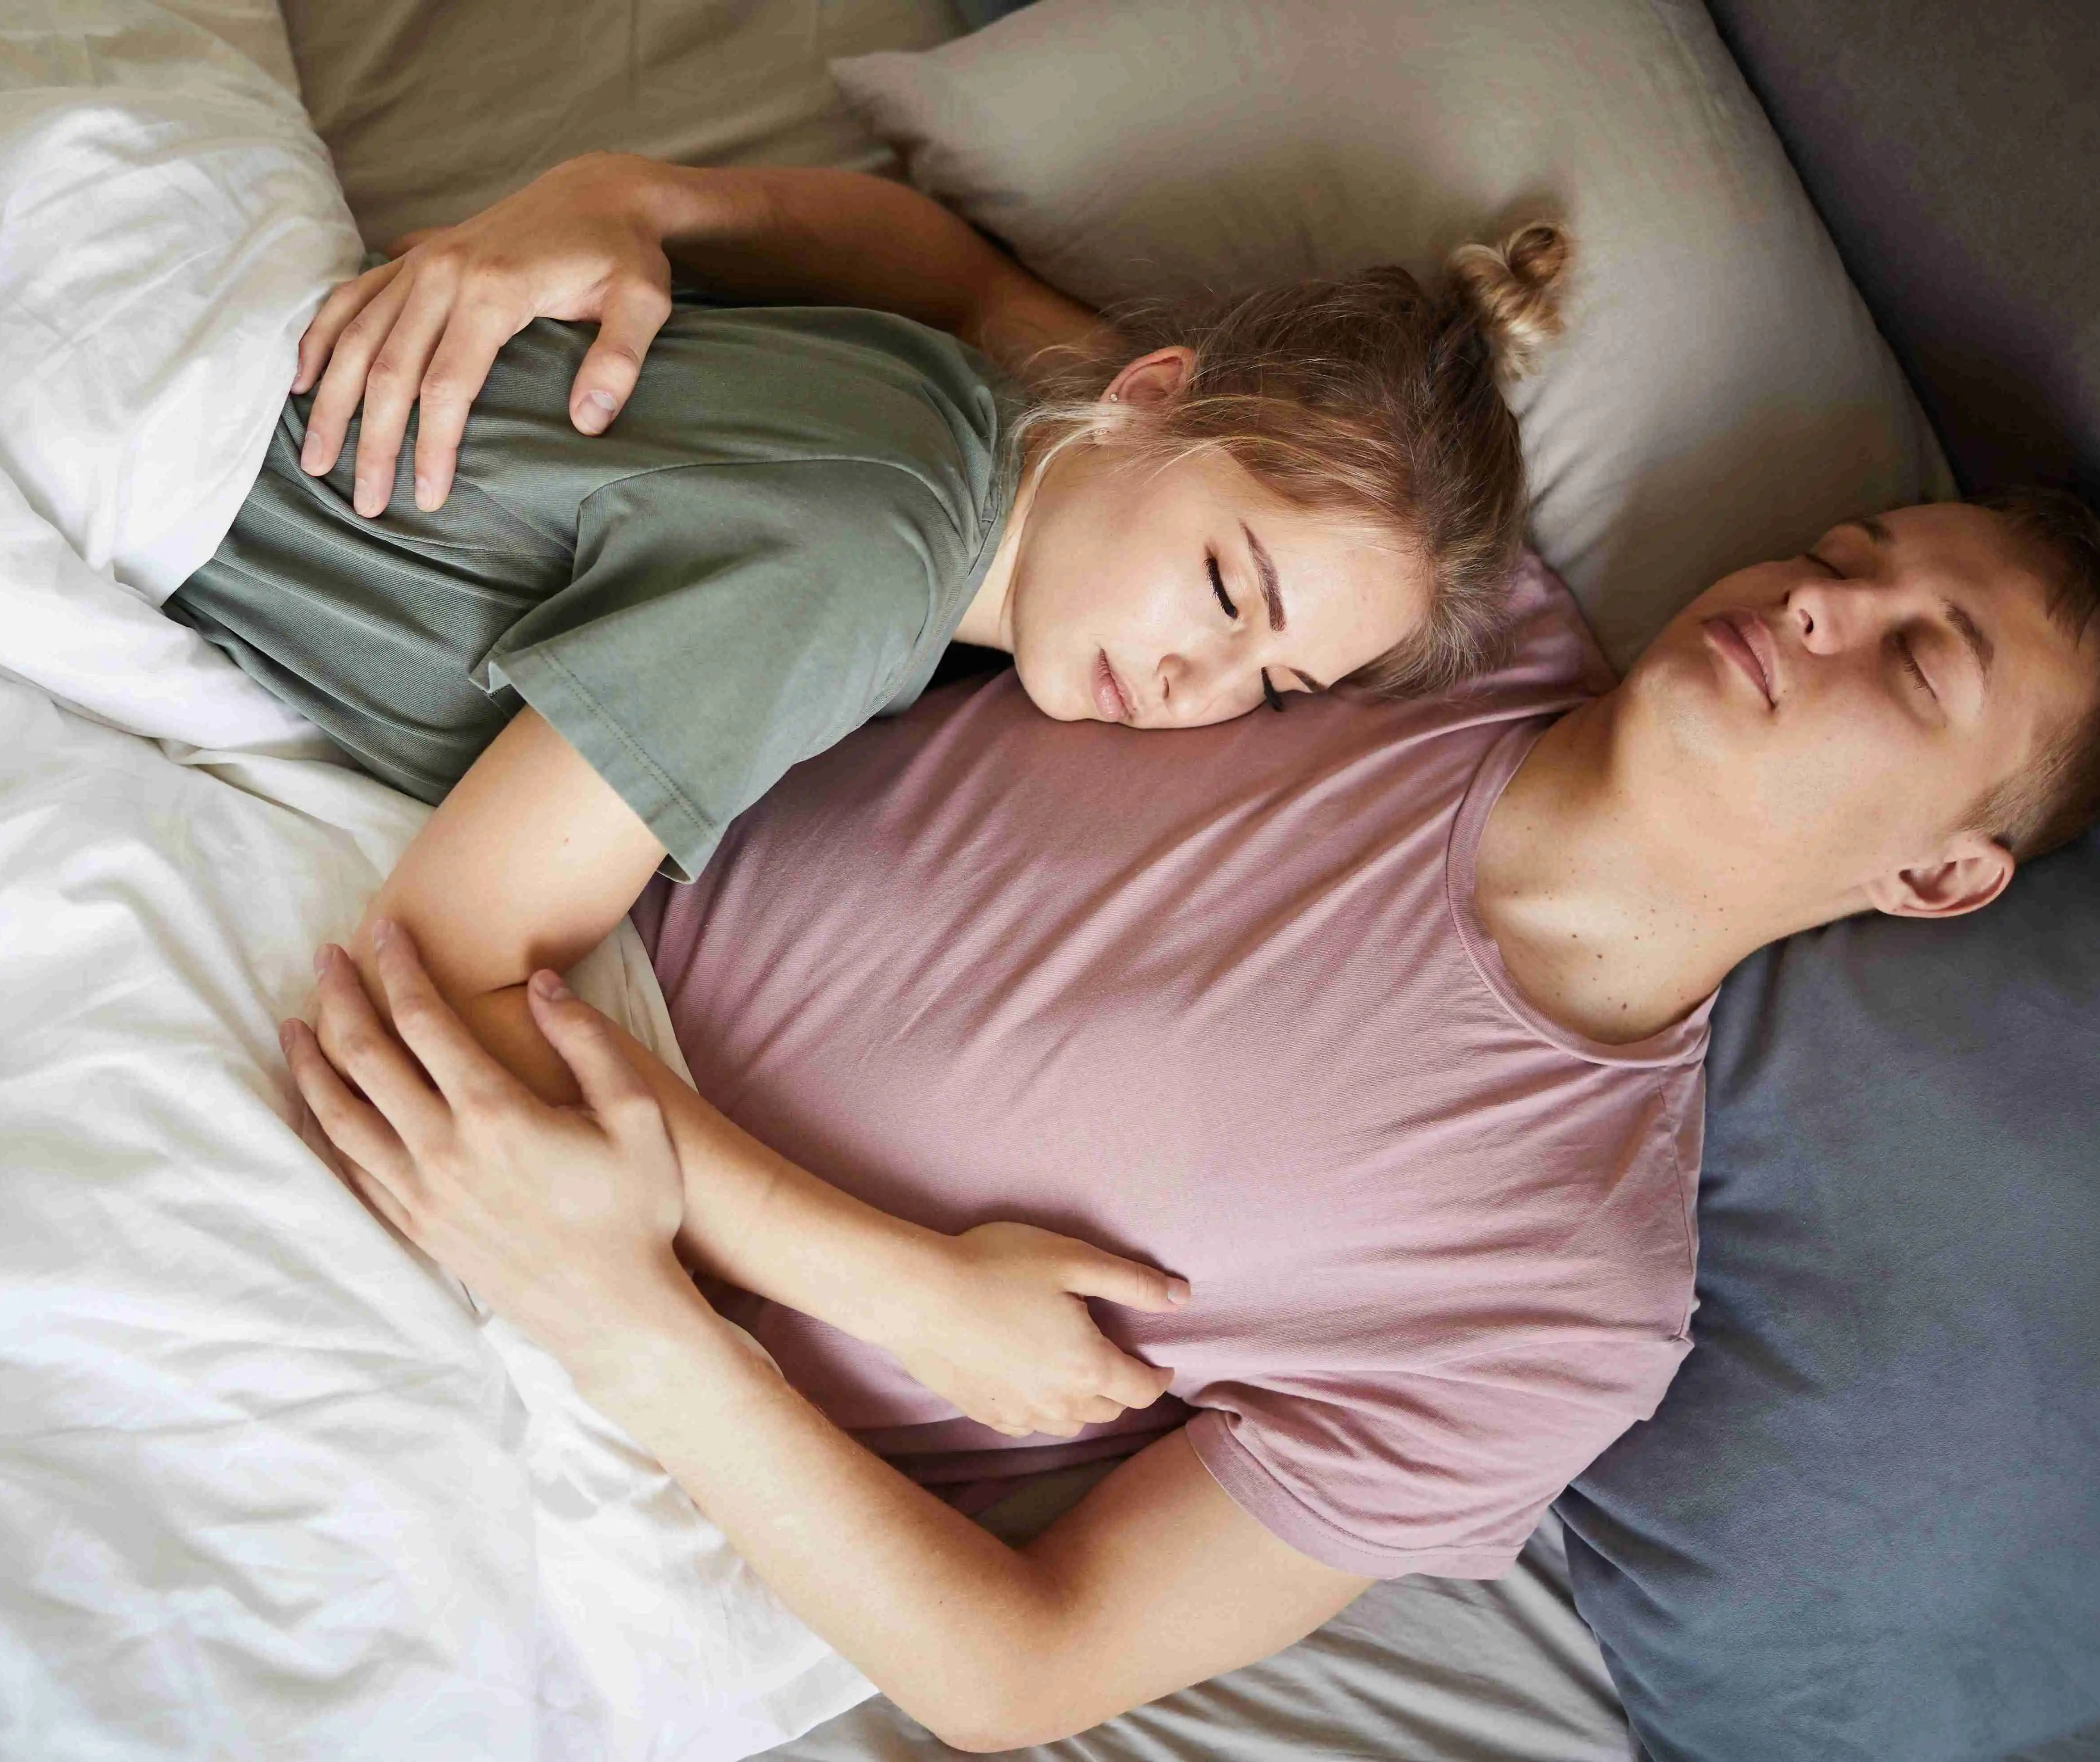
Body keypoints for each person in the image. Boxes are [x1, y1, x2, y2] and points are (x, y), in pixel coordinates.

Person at [278, 156, 2100, 1749]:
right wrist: (616, 200)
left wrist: (626, 1310)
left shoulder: (1565, 1301)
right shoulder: (1397, 602)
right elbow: (961, 290)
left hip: (631, 1398)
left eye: (1914, 661)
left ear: (1939, 877)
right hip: (480, 890)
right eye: (1851, 556)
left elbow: (1020, 1665)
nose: (1821, 608)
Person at [176, 171, 1573, 1441]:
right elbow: (439, 974)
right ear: (1149, 394)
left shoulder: (1019, 431)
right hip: (183, 428)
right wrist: (906, 1290)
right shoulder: (871, 568)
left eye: (1272, 687)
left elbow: (947, 264)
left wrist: (651, 201)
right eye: (1225, 591)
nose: (1190, 680)